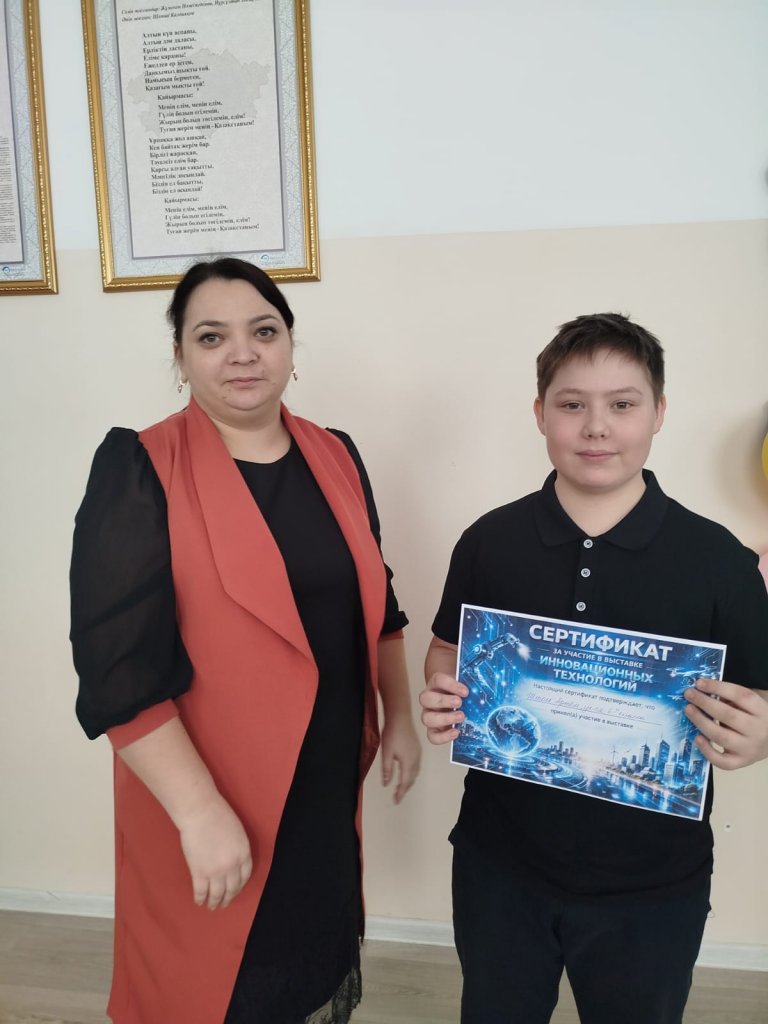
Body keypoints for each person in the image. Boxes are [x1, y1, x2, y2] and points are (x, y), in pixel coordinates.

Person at [70, 257, 421, 1024]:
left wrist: (398, 715)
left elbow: (379, 604)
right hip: (209, 793)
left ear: (290, 345)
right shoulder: (140, 466)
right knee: (217, 986)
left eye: (263, 331)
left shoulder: (336, 454)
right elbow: (116, 674)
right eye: (211, 337)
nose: (242, 353)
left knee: (308, 971)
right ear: (180, 356)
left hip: (323, 791)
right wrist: (199, 812)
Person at [419, 313, 768, 1024]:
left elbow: (760, 694)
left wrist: (760, 733)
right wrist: (440, 692)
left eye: (623, 404)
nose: (597, 427)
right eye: (572, 404)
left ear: (659, 412)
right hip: (499, 868)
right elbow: (446, 652)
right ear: (540, 413)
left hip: (653, 888)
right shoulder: (488, 541)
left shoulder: (721, 562)